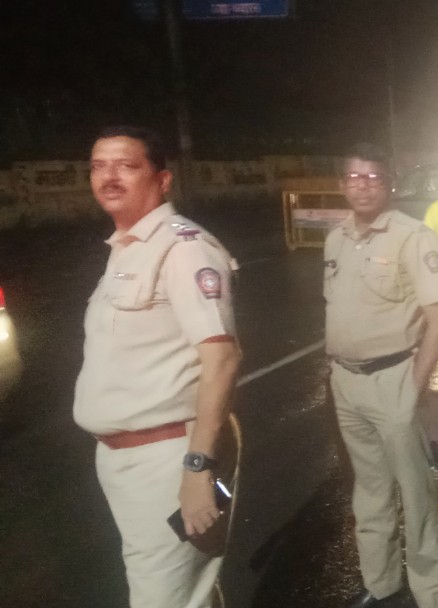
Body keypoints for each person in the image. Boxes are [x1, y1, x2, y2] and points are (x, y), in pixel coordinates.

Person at [73, 125, 241, 607]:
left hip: (166, 460)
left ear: (162, 180)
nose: (109, 177)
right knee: (183, 593)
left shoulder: (184, 248)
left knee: (162, 597)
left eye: (126, 166)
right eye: (99, 166)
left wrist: (197, 467)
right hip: (123, 460)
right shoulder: (127, 249)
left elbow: (223, 358)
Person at [325, 143, 438, 608]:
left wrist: (413, 386)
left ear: (390, 184)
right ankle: (380, 583)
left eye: (373, 177)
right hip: (346, 381)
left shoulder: (412, 236)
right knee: (369, 491)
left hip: (394, 378)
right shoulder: (336, 238)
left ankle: (430, 593)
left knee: (415, 495)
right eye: (354, 177)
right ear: (343, 183)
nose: (362, 186)